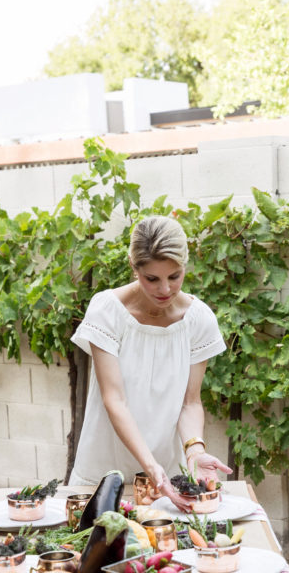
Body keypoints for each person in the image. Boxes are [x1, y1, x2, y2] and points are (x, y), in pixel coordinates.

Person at [68, 215, 232, 507]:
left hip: (168, 477)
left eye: (175, 276)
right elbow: (114, 400)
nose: (165, 290)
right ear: (134, 268)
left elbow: (190, 402)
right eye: (152, 279)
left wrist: (194, 451)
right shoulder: (108, 311)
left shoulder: (198, 319)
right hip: (104, 471)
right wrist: (150, 467)